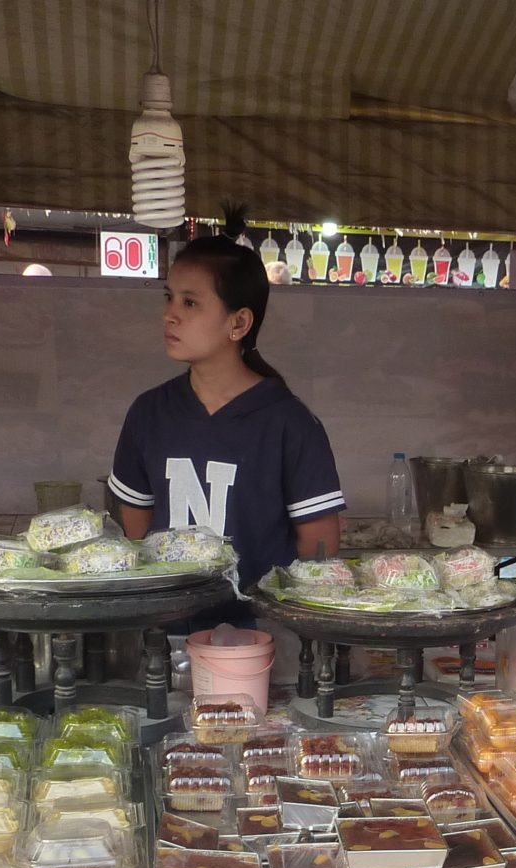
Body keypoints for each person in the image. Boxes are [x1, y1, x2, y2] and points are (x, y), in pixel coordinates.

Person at [107, 211, 343, 620]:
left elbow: (318, 552)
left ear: (239, 322)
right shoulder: (148, 414)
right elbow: (136, 536)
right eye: (169, 297)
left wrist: (278, 627)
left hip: (262, 641)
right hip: (166, 638)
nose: (170, 314)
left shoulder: (290, 423)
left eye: (191, 302)